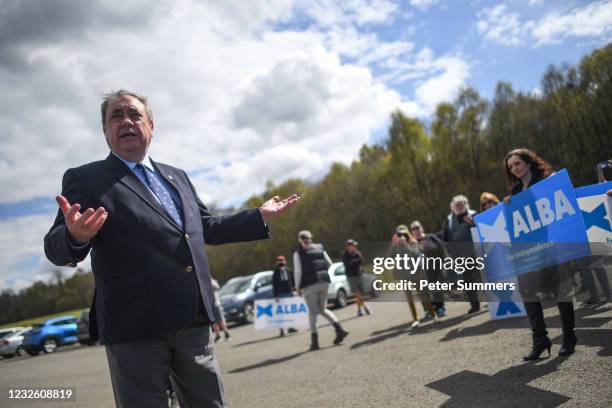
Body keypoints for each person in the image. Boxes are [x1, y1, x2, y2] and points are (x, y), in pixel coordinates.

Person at [44, 90, 299, 408]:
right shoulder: (86, 179)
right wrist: (74, 235)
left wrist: (257, 216)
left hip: (193, 320)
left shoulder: (177, 177)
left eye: (134, 114)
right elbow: (55, 247)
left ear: (150, 124)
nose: (126, 121)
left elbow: (206, 228)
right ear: (105, 130)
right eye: (116, 115)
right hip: (135, 328)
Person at [504, 147, 576, 360]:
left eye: (517, 163)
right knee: (527, 292)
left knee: (562, 292)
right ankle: (540, 339)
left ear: (528, 161)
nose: (515, 169)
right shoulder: (515, 193)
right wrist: (508, 205)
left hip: (553, 247)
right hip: (529, 251)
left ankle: (569, 337)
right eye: (510, 167)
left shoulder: (547, 182)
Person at [293, 230, 348, 350]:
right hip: (324, 282)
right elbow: (329, 263)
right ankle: (339, 329)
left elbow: (298, 272)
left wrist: (297, 287)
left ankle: (315, 342)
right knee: (322, 309)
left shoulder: (298, 252)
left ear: (299, 239)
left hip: (310, 285)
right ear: (311, 238)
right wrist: (322, 273)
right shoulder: (320, 247)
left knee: (312, 312)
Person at [390, 225, 438, 329]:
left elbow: (416, 254)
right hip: (404, 275)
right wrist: (394, 243)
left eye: (404, 234)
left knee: (422, 295)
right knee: (409, 298)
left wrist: (406, 244)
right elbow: (390, 257)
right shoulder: (395, 246)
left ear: (407, 233)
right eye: (399, 234)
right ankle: (416, 319)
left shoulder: (413, 243)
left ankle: (433, 314)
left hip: (415, 273)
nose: (402, 236)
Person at [441, 195, 481, 314]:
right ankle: (474, 304)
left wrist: (473, 223)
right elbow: (446, 238)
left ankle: (493, 301)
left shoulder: (474, 214)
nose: (459, 206)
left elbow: (483, 228)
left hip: (477, 251)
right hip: (461, 256)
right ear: (452, 207)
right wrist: (452, 254)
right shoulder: (448, 221)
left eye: (462, 204)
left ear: (466, 205)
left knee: (482, 277)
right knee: (468, 281)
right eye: (457, 205)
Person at [410, 221, 447, 317]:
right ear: (411, 232)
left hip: (436, 267)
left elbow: (441, 247)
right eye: (413, 229)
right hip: (422, 272)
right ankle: (431, 310)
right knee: (426, 292)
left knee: (437, 289)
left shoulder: (431, 237)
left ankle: (440, 308)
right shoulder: (412, 243)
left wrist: (444, 261)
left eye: (417, 227)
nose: (416, 230)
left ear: (421, 228)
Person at [341, 239, 371, 317]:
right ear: (348, 247)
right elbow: (348, 264)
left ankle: (359, 310)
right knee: (357, 293)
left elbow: (360, 261)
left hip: (358, 275)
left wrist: (354, 261)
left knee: (359, 294)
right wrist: (355, 261)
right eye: (353, 246)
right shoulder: (344, 255)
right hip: (351, 276)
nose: (355, 247)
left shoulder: (357, 253)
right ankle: (364, 308)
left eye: (355, 246)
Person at [272, 255, 298, 337]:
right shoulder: (275, 273)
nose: (281, 263)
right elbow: (274, 285)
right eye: (279, 261)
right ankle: (282, 330)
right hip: (281, 294)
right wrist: (275, 296)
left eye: (282, 261)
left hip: (289, 293)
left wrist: (295, 289)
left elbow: (293, 280)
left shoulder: (288, 270)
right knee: (282, 313)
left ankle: (291, 327)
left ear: (285, 261)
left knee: (290, 311)